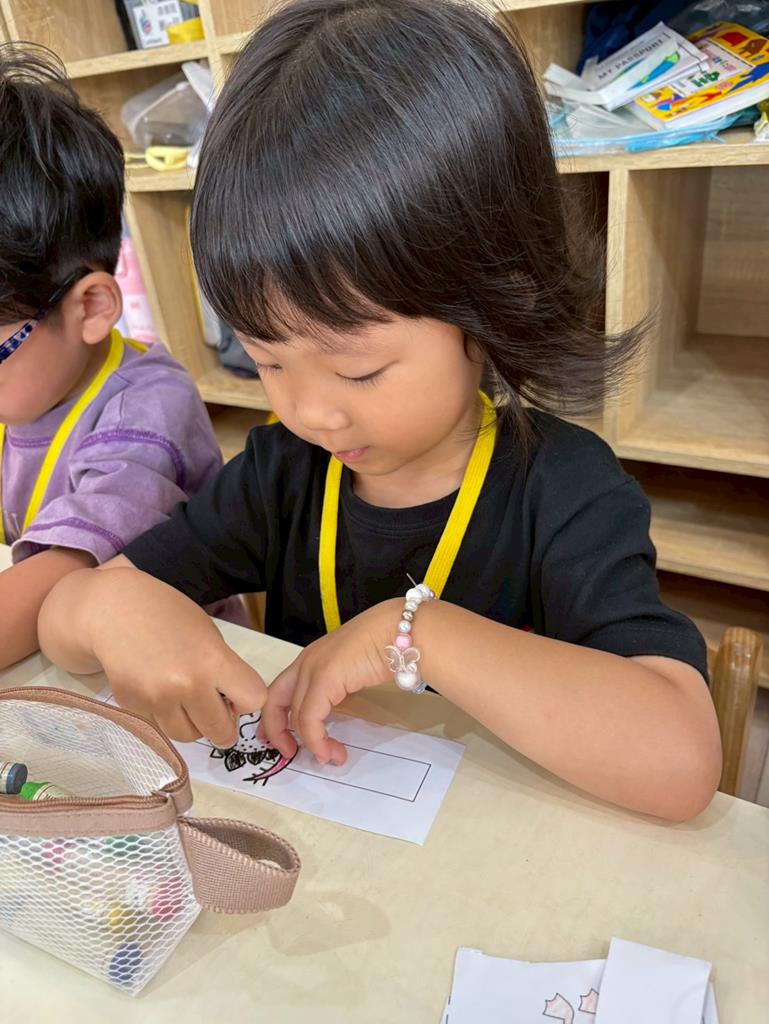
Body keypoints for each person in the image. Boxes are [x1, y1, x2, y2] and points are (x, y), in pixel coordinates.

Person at [39, 0, 721, 820]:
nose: (309, 412)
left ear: (492, 303)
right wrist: (114, 607)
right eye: (267, 361)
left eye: (357, 372)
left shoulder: (567, 490)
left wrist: (414, 633)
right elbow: (63, 619)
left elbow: (680, 761)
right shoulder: (281, 476)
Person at [0, 44, 224, 667]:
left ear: (92, 308)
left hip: (172, 672)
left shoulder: (146, 409)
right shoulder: (24, 384)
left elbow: (65, 576)